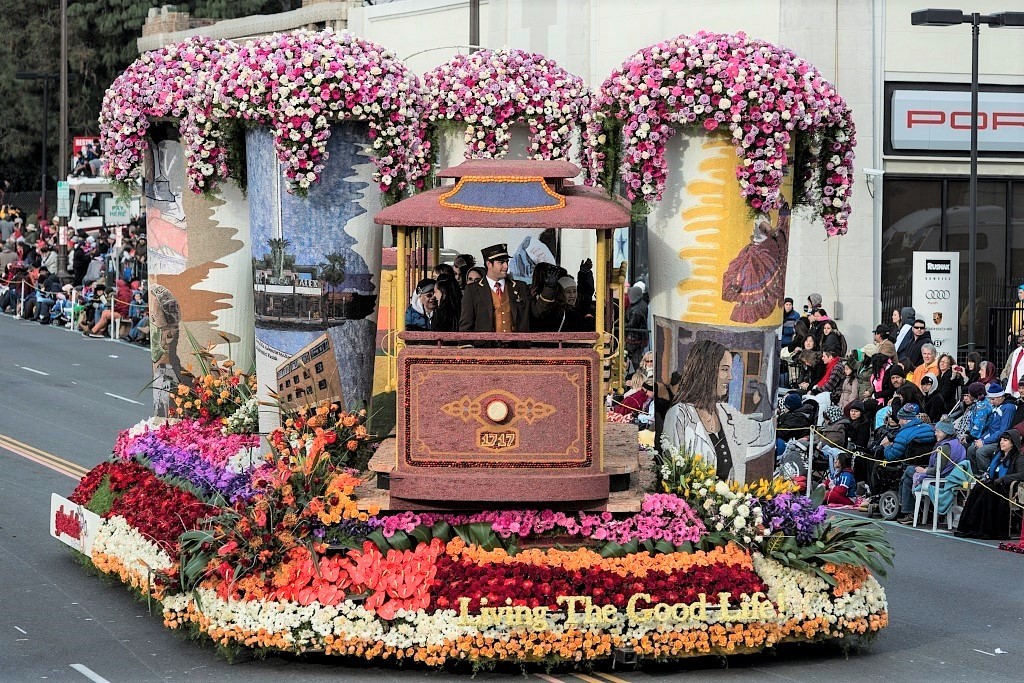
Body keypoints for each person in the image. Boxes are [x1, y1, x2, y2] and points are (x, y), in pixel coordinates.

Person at [663, 338, 774, 483]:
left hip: (729, 503)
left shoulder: (726, 412)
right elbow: (673, 474)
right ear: (705, 370)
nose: (731, 377)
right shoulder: (680, 415)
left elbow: (763, 433)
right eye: (724, 369)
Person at [955, 429, 1024, 539]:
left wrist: (1004, 479)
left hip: (1006, 487)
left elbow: (1021, 475)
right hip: (994, 483)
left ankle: (986, 529)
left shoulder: (1019, 457)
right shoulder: (998, 456)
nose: (1001, 442)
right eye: (1001, 440)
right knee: (978, 488)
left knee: (988, 491)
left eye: (1005, 440)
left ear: (1013, 443)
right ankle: (972, 527)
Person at [895, 419, 966, 524]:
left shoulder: (945, 447)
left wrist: (924, 470)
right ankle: (910, 510)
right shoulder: (956, 444)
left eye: (938, 431)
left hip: (941, 480)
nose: (935, 433)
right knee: (909, 473)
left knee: (909, 471)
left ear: (946, 432)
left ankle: (908, 511)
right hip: (948, 477)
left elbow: (937, 470)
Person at [459, 243, 534, 333]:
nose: (506, 266)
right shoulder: (472, 290)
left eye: (506, 262)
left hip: (515, 345)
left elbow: (537, 312)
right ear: (489, 264)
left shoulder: (520, 287)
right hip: (486, 346)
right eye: (501, 262)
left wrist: (549, 289)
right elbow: (466, 325)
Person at [967, 384, 1014, 475]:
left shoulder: (1008, 408)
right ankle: (975, 475)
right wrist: (981, 440)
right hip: (993, 438)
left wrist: (985, 442)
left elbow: (1002, 431)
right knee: (971, 449)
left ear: (1000, 397)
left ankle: (988, 476)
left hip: (1001, 440)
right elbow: (991, 429)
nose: (991, 402)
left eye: (993, 399)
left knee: (981, 452)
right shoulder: (998, 407)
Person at [1001, 331, 1024, 399]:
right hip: (1013, 391)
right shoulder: (1016, 352)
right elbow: (1012, 371)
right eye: (1021, 336)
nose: (1022, 338)